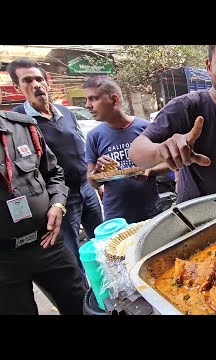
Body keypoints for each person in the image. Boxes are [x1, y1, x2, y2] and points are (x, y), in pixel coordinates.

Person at [129, 45, 216, 204]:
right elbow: (136, 152)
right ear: (209, 66)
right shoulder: (186, 107)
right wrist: (161, 151)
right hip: (194, 214)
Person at [7, 58, 103, 272]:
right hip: (60, 199)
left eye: (39, 79)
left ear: (47, 82)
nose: (36, 85)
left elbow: (82, 145)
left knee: (101, 239)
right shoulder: (17, 121)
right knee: (72, 251)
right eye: (27, 80)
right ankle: (88, 294)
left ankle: (111, 284)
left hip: (86, 188)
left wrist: (97, 180)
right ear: (17, 87)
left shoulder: (65, 112)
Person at [0, 110, 87, 314]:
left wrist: (58, 203)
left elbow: (53, 173)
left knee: (80, 302)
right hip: (4, 260)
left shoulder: (23, 127)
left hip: (47, 241)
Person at [84, 75, 168, 223]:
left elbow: (169, 162)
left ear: (114, 99)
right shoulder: (93, 136)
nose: (87, 105)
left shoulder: (146, 129)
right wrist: (97, 173)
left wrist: (150, 171)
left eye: (93, 99)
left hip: (150, 210)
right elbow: (92, 182)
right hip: (116, 216)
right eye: (87, 100)